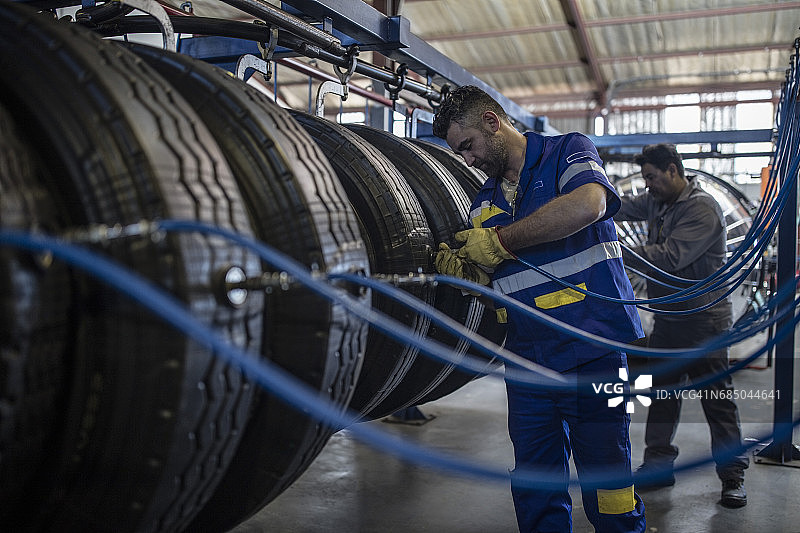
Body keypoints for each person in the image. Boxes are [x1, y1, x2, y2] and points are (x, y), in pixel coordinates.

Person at [432, 85, 646, 533]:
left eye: (467, 146)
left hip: (593, 353)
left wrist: (500, 242)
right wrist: (469, 276)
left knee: (609, 487)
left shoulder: (567, 151)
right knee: (536, 488)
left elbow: (590, 204)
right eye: (459, 154)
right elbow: (497, 273)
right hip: (528, 362)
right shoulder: (484, 203)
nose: (467, 160)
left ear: (493, 122)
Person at [615, 143, 748, 508]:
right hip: (670, 320)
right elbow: (620, 206)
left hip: (705, 323)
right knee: (662, 395)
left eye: (652, 178)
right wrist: (590, 199)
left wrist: (614, 250)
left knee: (717, 400)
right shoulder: (659, 200)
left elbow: (669, 257)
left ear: (673, 170)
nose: (648, 186)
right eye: (644, 179)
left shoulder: (701, 209)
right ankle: (658, 467)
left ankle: (732, 475)